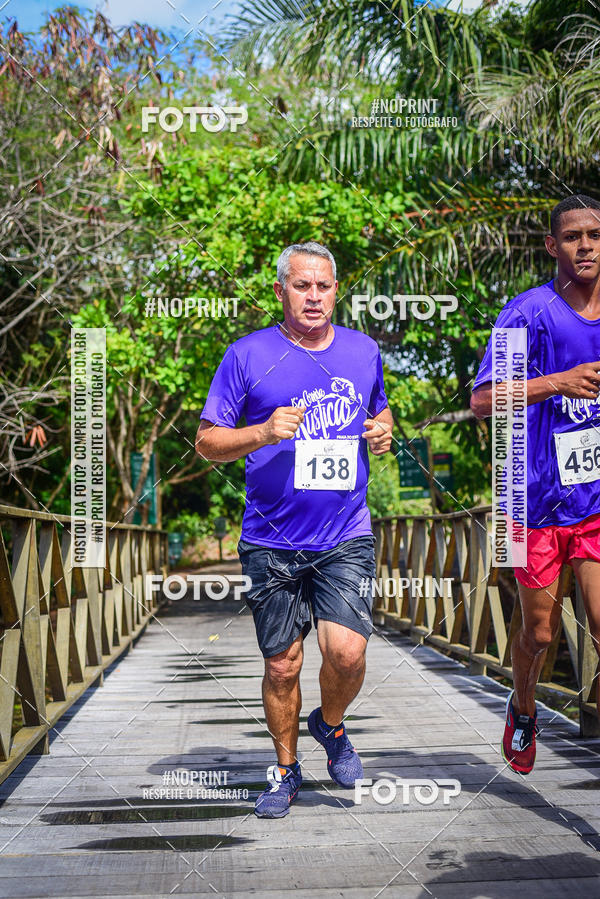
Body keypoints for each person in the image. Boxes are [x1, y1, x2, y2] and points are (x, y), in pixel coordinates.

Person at [195, 241, 393, 816]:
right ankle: (284, 771)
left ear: (336, 291)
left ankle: (329, 727)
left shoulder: (363, 350)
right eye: (302, 286)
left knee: (348, 654)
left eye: (324, 286)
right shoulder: (247, 354)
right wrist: (262, 432)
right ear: (280, 291)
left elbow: (377, 412)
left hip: (344, 531)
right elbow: (209, 441)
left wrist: (381, 432)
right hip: (270, 538)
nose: (314, 296)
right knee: (282, 664)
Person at [471, 194, 600, 775]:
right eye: (572, 237)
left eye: (595, 235)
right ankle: (523, 705)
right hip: (530, 502)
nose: (586, 245)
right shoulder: (525, 313)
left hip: (595, 503)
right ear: (553, 246)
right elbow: (483, 401)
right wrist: (559, 382)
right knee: (541, 632)